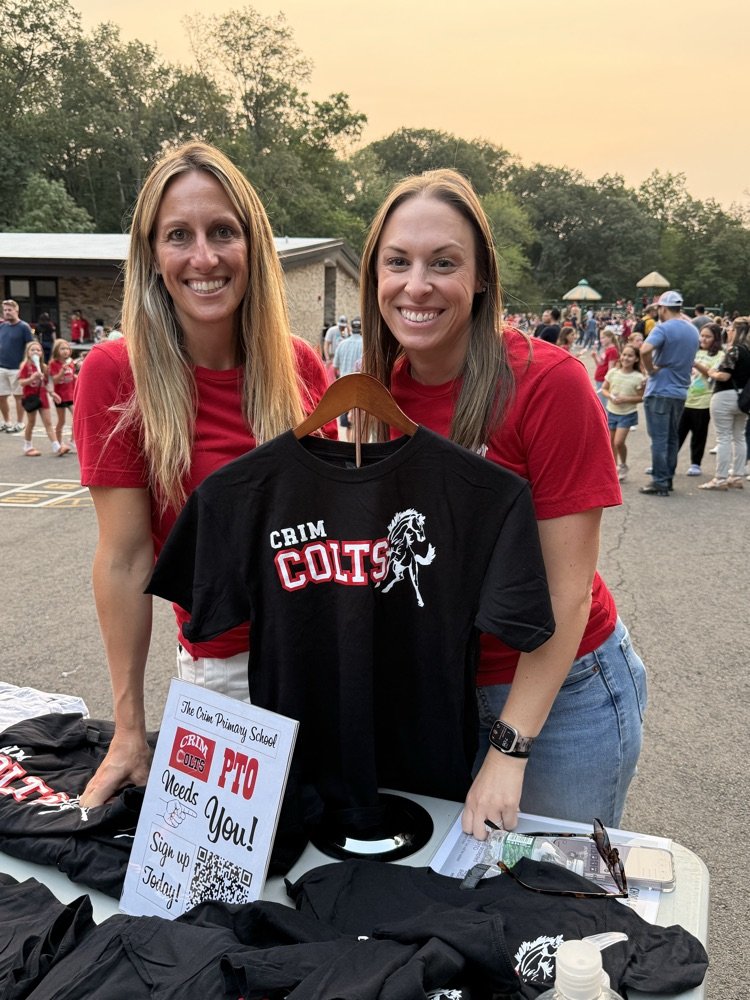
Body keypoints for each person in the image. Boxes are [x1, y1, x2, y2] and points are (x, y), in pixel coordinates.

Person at [360, 168, 646, 836]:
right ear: (375, 275)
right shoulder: (376, 395)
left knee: (552, 897)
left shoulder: (549, 384)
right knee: (459, 894)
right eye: (398, 262)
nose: (417, 285)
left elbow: (565, 594)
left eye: (444, 263)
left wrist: (510, 747)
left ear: (482, 277)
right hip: (443, 692)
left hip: (562, 694)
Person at [75, 140, 334, 808]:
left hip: (329, 661)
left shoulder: (300, 367)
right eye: (179, 236)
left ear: (252, 247)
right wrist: (129, 730)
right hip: (226, 679)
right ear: (152, 257)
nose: (204, 257)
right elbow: (127, 560)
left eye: (224, 232)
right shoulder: (116, 374)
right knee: (214, 894)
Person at [639, 290, 699, 496]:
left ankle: (659, 480)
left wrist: (651, 369)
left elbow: (645, 349)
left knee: (659, 438)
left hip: (660, 389)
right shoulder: (692, 330)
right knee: (672, 437)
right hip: (680, 390)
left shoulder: (663, 328)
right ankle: (668, 477)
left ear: (663, 308)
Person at [698, 316, 750, 490]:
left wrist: (712, 373)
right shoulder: (748, 351)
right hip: (744, 399)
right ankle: (737, 475)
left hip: (724, 395)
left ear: (735, 330)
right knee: (739, 436)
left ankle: (720, 478)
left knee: (724, 437)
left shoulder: (734, 350)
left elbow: (725, 375)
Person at [678, 323, 724, 476]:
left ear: (715, 338)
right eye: (702, 335)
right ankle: (667, 461)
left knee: (699, 434)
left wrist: (696, 364)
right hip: (684, 397)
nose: (703, 339)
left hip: (703, 400)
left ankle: (695, 463)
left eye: (708, 336)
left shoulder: (720, 356)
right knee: (677, 433)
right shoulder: (694, 351)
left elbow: (712, 374)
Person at [601, 344, 645, 482]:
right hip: (612, 411)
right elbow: (604, 389)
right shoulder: (613, 372)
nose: (626, 358)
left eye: (630, 356)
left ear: (636, 359)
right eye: (624, 355)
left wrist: (626, 399)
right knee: (610, 442)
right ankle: (614, 468)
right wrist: (610, 397)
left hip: (627, 413)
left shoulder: (639, 377)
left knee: (619, 442)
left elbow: (641, 397)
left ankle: (623, 464)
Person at [17, 340, 70, 456]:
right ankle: (27, 446)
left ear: (42, 353)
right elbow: (21, 382)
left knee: (48, 422)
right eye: (33, 350)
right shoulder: (25, 366)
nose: (36, 351)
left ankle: (56, 446)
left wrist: (52, 393)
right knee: (31, 422)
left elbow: (47, 383)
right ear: (28, 352)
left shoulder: (44, 367)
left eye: (38, 350)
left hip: (43, 397)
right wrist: (32, 378)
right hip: (30, 397)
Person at [0, 299, 33, 432]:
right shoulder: (2, 327)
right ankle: (7, 421)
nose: (7, 312)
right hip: (2, 367)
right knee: (1, 396)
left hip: (17, 368)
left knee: (18, 397)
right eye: (5, 310)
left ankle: (19, 422)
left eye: (10, 310)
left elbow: (30, 346)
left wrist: (26, 365)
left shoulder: (24, 327)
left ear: (16, 311)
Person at [332, 314, 364, 441]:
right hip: (361, 388)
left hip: (344, 387)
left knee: (347, 424)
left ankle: (349, 451)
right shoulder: (365, 345)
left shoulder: (342, 344)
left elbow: (335, 367)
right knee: (360, 424)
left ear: (351, 328)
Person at [48, 338, 78, 451]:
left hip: (71, 394)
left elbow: (72, 377)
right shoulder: (53, 364)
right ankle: (59, 443)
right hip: (60, 396)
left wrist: (77, 378)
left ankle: (72, 441)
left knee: (76, 417)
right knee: (62, 421)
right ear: (56, 350)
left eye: (67, 348)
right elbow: (54, 380)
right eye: (62, 348)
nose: (65, 351)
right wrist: (61, 372)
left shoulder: (70, 363)